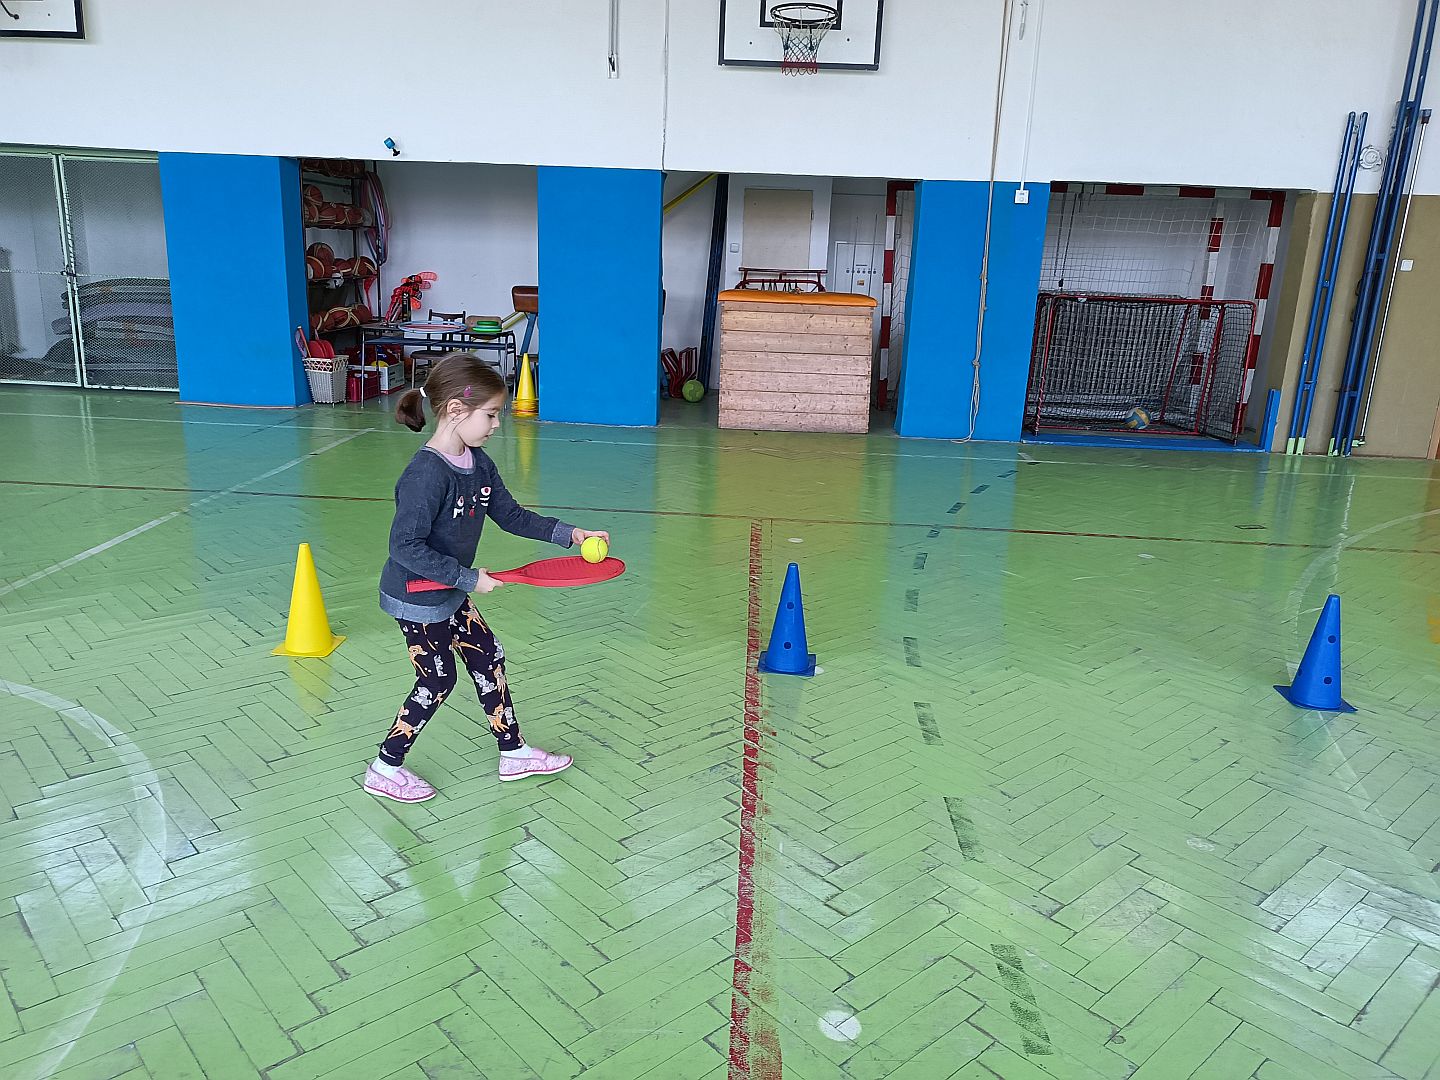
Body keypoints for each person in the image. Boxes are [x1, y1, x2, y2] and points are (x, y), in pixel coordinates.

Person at [364, 353, 609, 803]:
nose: (497, 425)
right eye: (491, 414)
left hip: (451, 590)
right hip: (418, 597)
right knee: (437, 682)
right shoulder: (425, 474)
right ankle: (384, 767)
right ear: (456, 410)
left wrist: (570, 534)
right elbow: (404, 546)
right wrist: (466, 577)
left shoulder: (478, 464)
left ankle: (513, 753)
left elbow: (511, 515)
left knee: (488, 657)